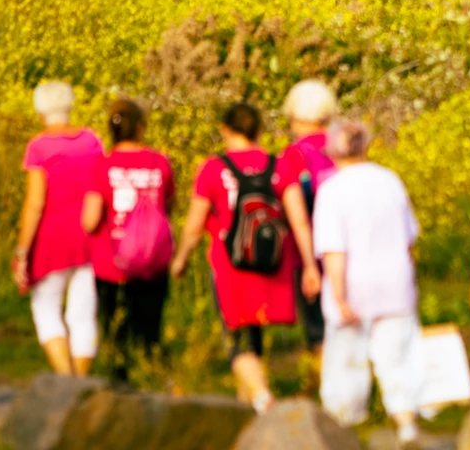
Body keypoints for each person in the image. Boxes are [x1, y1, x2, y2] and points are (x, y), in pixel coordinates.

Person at [172, 102, 312, 414]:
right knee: (255, 337)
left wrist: (181, 258)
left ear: (225, 129)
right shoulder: (279, 166)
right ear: (258, 130)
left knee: (237, 339)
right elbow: (299, 220)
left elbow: (195, 225)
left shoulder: (213, 168)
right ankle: (246, 410)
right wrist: (310, 266)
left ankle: (261, 399)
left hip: (229, 266)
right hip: (271, 265)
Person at [314, 119, 426, 445]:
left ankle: (344, 426)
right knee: (398, 356)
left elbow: (334, 248)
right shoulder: (389, 180)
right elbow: (409, 237)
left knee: (345, 361)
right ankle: (406, 422)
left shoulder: (332, 189)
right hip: (395, 281)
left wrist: (338, 295)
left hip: (353, 282)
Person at [14, 81, 104, 376]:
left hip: (51, 241)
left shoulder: (39, 147)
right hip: (90, 238)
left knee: (45, 308)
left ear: (40, 111)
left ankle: (66, 379)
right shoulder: (92, 141)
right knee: (82, 313)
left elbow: (35, 203)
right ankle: (81, 382)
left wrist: (22, 250)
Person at [81, 97, 173, 375]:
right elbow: (167, 207)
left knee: (114, 330)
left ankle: (120, 381)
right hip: (153, 262)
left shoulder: (102, 166)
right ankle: (153, 376)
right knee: (148, 330)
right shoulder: (159, 163)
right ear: (141, 128)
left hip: (112, 264)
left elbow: (90, 220)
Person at [278, 80, 339, 359]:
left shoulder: (294, 155)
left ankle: (327, 389)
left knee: (319, 329)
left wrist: (306, 265)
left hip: (311, 250)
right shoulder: (344, 146)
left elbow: (296, 213)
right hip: (348, 248)